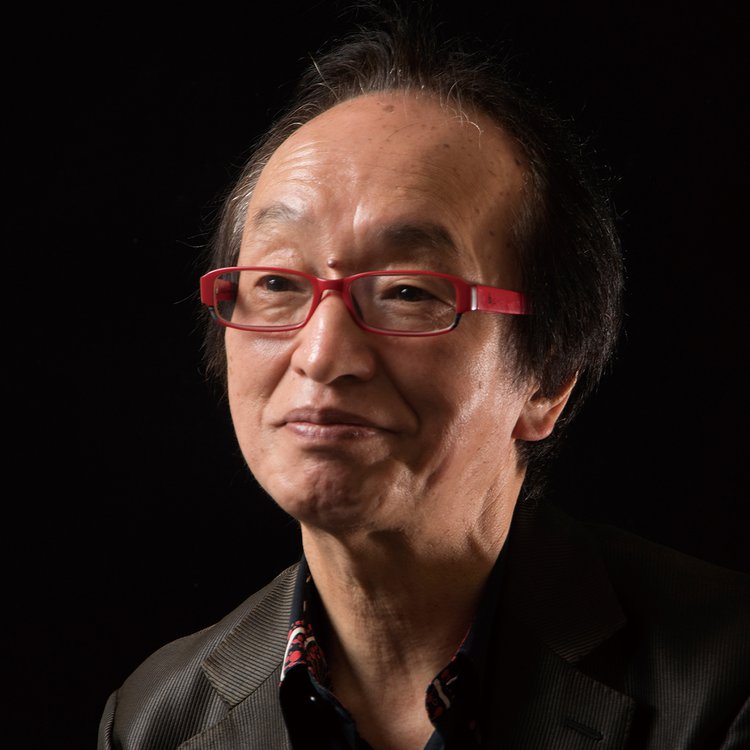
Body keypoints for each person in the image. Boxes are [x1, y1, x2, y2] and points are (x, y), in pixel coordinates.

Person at [97, 6, 749, 749]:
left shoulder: (726, 688)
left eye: (408, 292)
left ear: (548, 380)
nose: (321, 355)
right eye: (276, 283)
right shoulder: (156, 720)